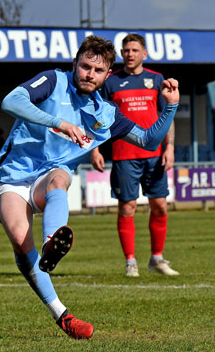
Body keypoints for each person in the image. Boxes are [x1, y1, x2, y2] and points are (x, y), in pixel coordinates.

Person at [0, 35, 179, 339]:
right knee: (21, 244)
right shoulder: (53, 80)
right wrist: (59, 123)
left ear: (107, 76)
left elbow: (147, 140)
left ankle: (53, 241)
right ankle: (62, 316)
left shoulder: (105, 114)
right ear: (74, 64)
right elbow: (10, 102)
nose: (90, 74)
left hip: (49, 175)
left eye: (98, 70)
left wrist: (170, 107)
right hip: (13, 175)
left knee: (60, 178)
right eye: (85, 66)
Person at [90, 33, 179, 277]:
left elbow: (167, 117)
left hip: (154, 154)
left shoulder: (157, 79)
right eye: (126, 50)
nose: (130, 54)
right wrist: (95, 149)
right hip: (124, 154)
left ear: (144, 53)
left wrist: (169, 147)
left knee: (160, 206)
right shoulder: (111, 82)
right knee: (127, 207)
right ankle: (131, 262)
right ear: (122, 53)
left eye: (134, 50)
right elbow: (96, 117)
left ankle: (157, 259)